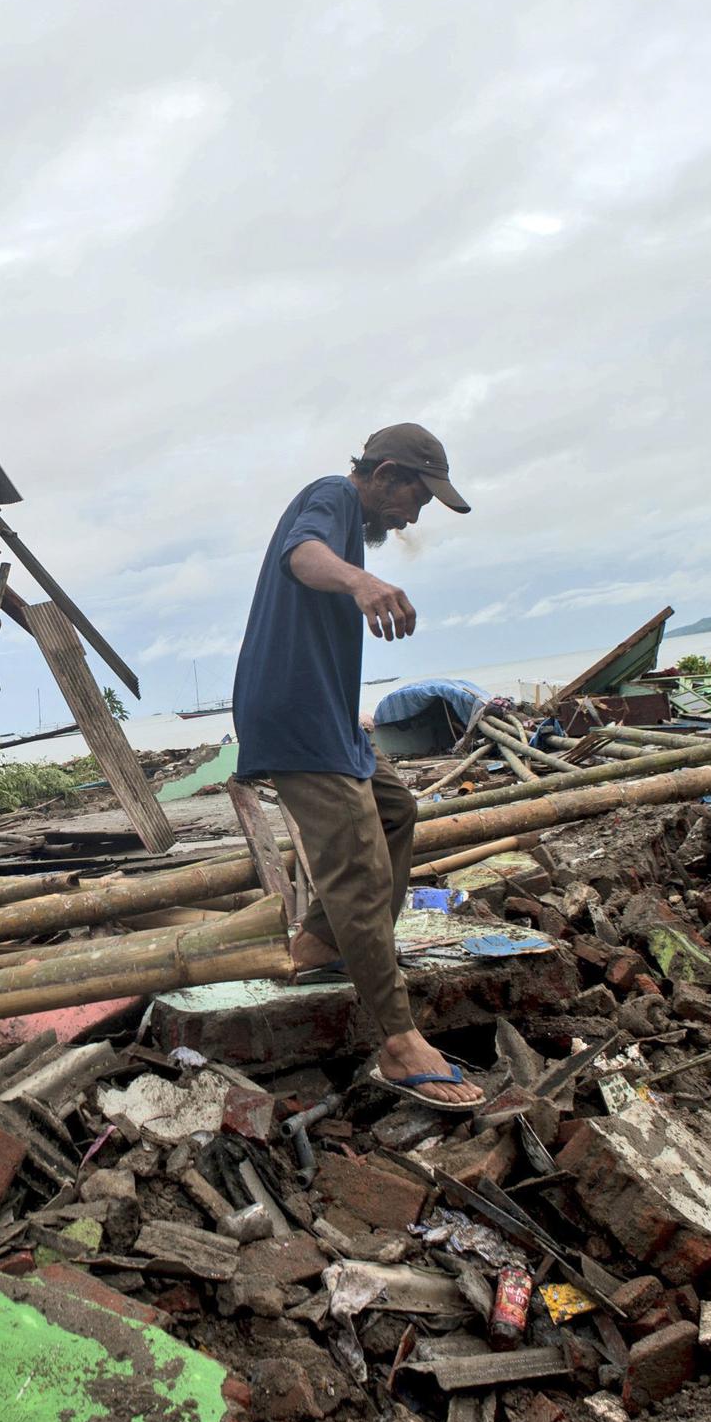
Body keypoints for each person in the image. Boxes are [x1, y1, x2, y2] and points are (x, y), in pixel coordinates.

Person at [231, 424, 484, 1110]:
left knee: (397, 811)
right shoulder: (333, 498)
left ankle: (322, 940)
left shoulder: (348, 515)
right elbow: (301, 555)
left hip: (332, 717)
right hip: (297, 715)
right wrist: (362, 581)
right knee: (359, 864)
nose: (411, 518)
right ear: (386, 473)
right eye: (414, 499)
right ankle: (400, 1042)